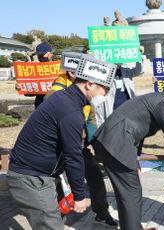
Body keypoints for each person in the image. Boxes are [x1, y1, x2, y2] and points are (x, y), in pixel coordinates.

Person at [6, 54, 116, 229]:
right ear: (90, 84)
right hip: (31, 178)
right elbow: (73, 155)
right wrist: (80, 196)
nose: (106, 94)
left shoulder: (69, 99)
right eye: (105, 89)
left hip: (40, 174)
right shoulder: (70, 110)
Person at [91, 77, 164, 230]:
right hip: (116, 144)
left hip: (112, 142)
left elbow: (139, 131)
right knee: (132, 193)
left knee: (126, 193)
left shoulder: (157, 99)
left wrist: (136, 158)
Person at [46, 52, 118, 228]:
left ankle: (101, 212)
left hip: (78, 143)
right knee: (60, 184)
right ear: (72, 74)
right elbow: (52, 106)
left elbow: (91, 119)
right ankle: (58, 219)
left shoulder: (87, 93)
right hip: (57, 147)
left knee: (95, 177)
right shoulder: (59, 89)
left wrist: (97, 144)